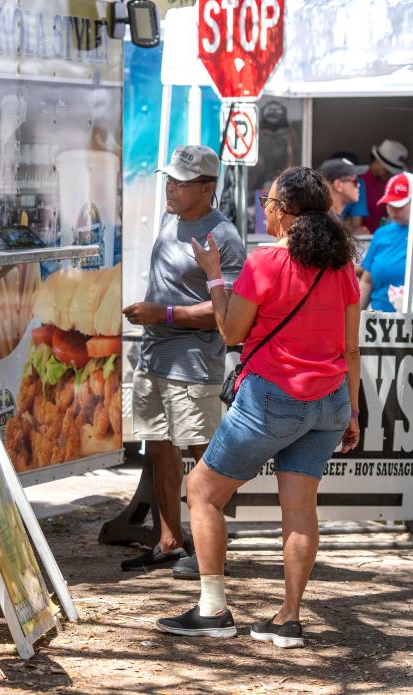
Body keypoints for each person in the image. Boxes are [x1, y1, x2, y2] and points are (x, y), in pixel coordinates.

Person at [156, 167, 361, 648]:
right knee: (299, 509)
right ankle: (288, 619)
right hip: (329, 401)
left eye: (267, 201)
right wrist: (352, 411)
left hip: (273, 397)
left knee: (202, 489)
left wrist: (213, 276)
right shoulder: (342, 265)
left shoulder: (266, 262)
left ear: (284, 212)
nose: (263, 208)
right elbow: (351, 350)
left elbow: (231, 331)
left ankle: (212, 610)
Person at [121, 145, 246, 574]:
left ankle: (212, 550)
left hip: (193, 365)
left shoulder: (223, 236)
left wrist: (163, 313)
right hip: (154, 357)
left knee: (205, 455)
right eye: (169, 179)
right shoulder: (169, 219)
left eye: (180, 181)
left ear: (207, 188)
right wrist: (155, 317)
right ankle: (170, 540)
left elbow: (225, 313)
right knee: (158, 449)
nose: (170, 187)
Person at [360, 173, 411, 311]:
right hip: (379, 324)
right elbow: (367, 281)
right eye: (390, 204)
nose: (393, 210)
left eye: (399, 204)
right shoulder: (381, 233)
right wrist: (354, 321)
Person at [360, 139, 408, 232]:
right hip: (364, 239)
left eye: (393, 172)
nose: (390, 174)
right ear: (378, 161)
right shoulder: (359, 180)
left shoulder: (394, 182)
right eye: (388, 170)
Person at [328, 151, 368, 232]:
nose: (359, 185)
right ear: (338, 185)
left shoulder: (331, 219)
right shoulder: (320, 223)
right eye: (355, 181)